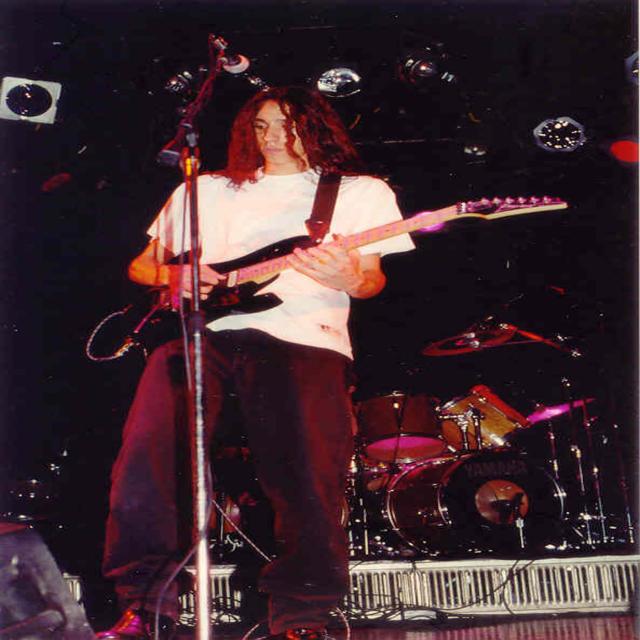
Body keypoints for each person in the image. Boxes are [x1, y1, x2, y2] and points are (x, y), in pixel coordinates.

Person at [98, 86, 414, 640]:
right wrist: (174, 275)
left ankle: (303, 617)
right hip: (202, 334)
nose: (273, 138)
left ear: (315, 128)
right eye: (262, 126)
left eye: (287, 126)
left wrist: (345, 275)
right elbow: (143, 266)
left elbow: (370, 280)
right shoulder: (206, 190)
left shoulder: (359, 192)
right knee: (148, 459)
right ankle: (145, 607)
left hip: (303, 336)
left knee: (306, 476)